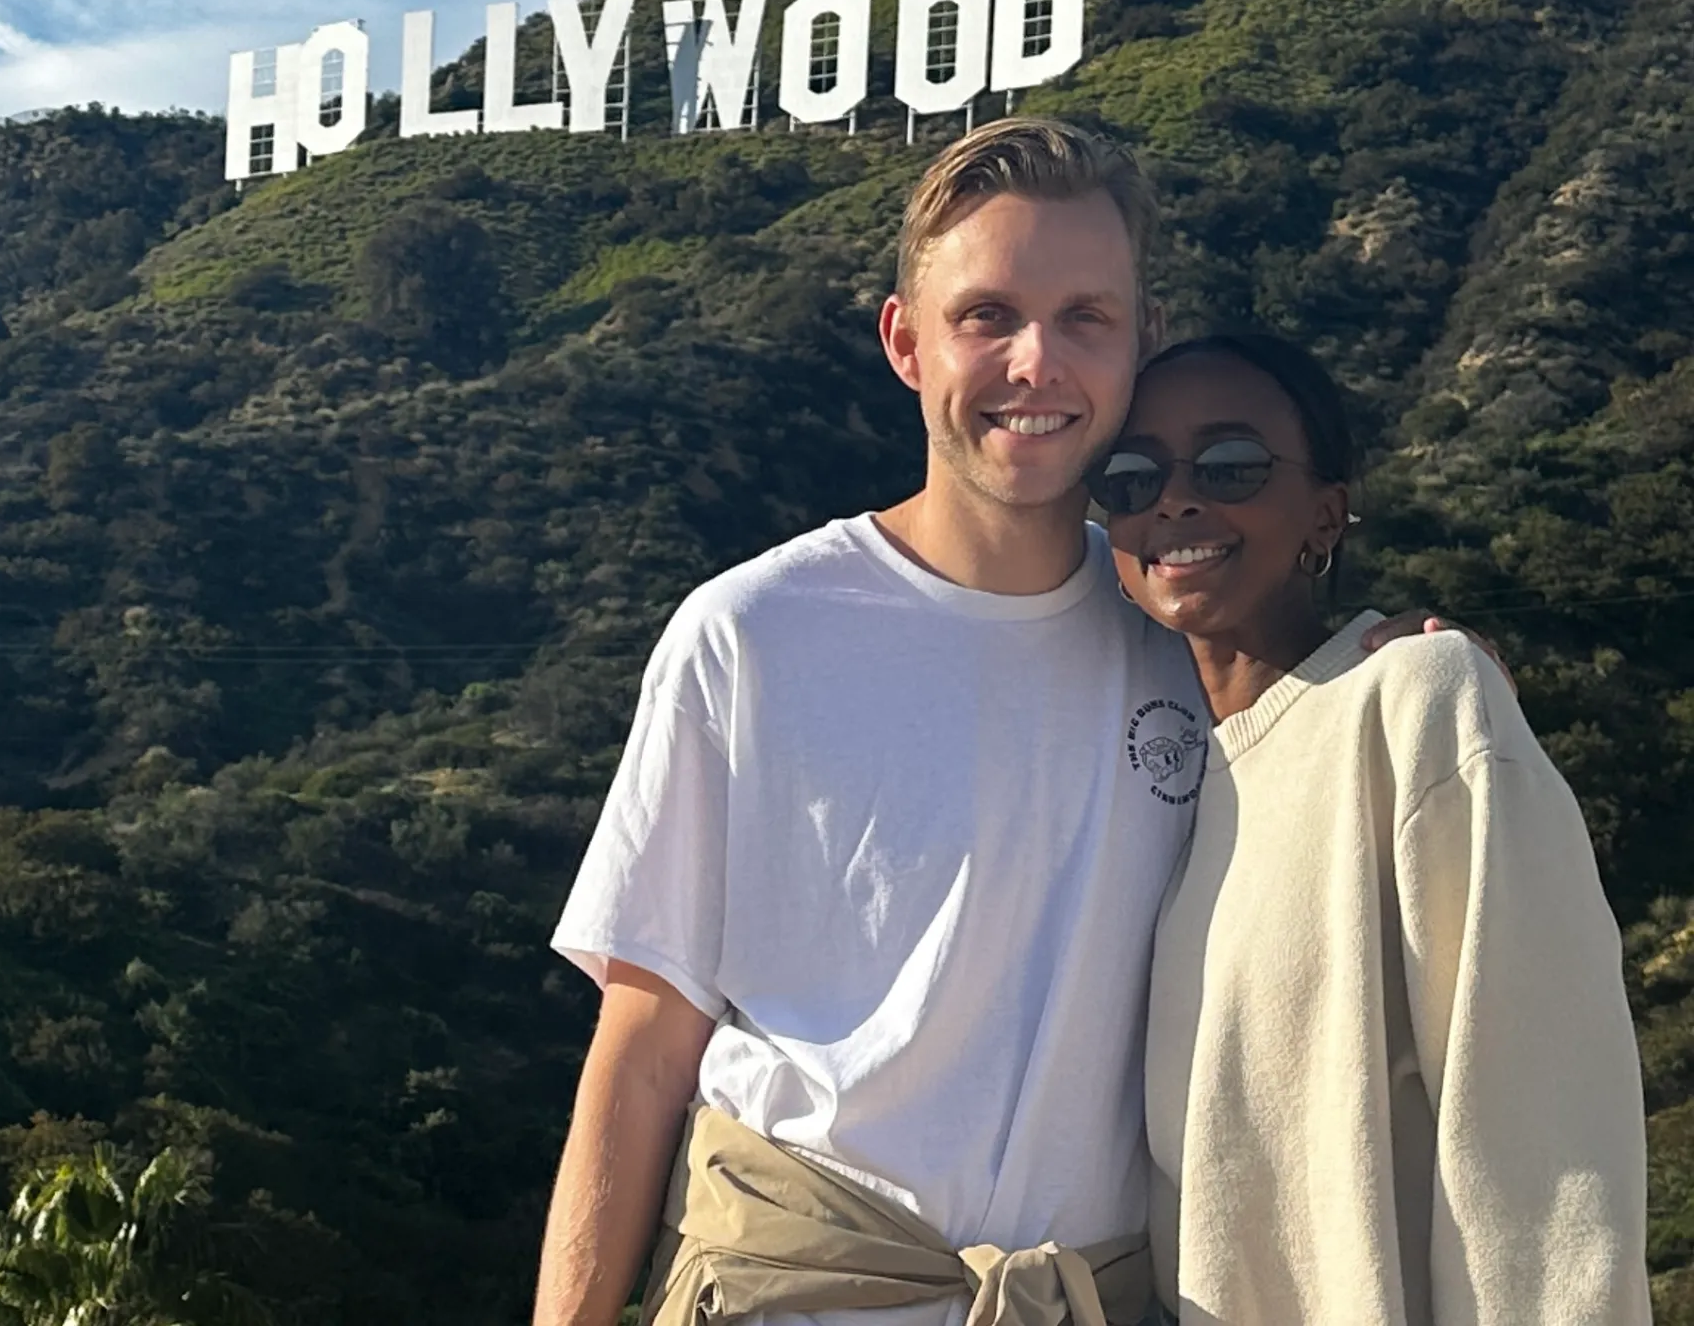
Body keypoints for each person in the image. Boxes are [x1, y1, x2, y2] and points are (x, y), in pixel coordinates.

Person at [534, 120, 1493, 1326]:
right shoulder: (753, 633)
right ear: (906, 341)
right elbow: (643, 1045)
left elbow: (1341, 776)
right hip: (788, 1290)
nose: (1037, 362)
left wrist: (1410, 683)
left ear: (1140, 342)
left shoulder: (1188, 642)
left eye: (1086, 316)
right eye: (987, 314)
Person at [1087, 332, 1650, 1325]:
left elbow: (1545, 1154)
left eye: (1231, 465)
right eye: (1131, 475)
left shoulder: (1420, 705)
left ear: (1326, 513)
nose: (1176, 499)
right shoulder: (1150, 772)